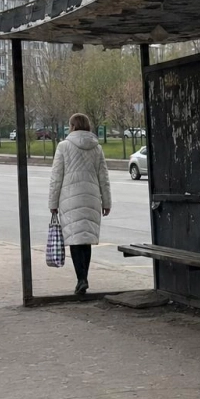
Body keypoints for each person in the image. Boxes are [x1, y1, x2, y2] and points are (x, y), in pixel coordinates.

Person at [48, 113, 112, 295]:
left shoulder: (63, 146)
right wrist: (106, 202)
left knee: (76, 240)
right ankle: (84, 277)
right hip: (92, 198)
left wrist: (52, 203)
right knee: (86, 240)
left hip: (70, 199)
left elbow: (56, 178)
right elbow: (104, 178)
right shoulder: (97, 148)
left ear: (73, 126)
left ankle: (81, 279)